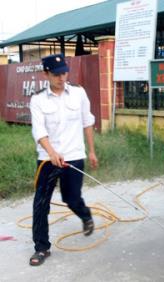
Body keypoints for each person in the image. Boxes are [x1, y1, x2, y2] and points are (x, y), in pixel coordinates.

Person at [29, 54, 98, 266]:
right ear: (46, 74)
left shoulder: (78, 93)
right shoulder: (38, 99)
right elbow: (39, 131)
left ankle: (85, 216)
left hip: (74, 157)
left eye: (64, 73)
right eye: (57, 74)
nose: (62, 78)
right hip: (47, 160)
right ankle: (41, 248)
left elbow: (87, 122)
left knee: (71, 198)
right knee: (41, 203)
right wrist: (51, 152)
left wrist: (92, 151)